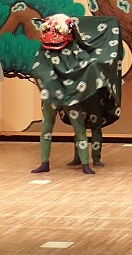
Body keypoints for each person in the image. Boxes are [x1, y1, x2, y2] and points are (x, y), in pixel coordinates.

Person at [29, 14, 122, 175]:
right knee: (47, 127)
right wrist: (49, 82)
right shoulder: (45, 51)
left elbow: (88, 63)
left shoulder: (75, 51)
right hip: (51, 94)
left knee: (80, 129)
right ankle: (45, 162)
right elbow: (38, 69)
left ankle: (87, 162)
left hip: (71, 95)